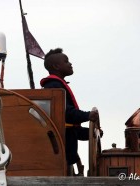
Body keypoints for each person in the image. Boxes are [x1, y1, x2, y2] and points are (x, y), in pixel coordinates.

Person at [40, 48, 99, 176]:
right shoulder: (54, 87)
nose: (70, 63)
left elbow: (70, 128)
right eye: (66, 61)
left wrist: (90, 133)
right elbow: (66, 114)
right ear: (56, 66)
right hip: (61, 152)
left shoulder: (56, 85)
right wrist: (88, 115)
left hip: (66, 150)